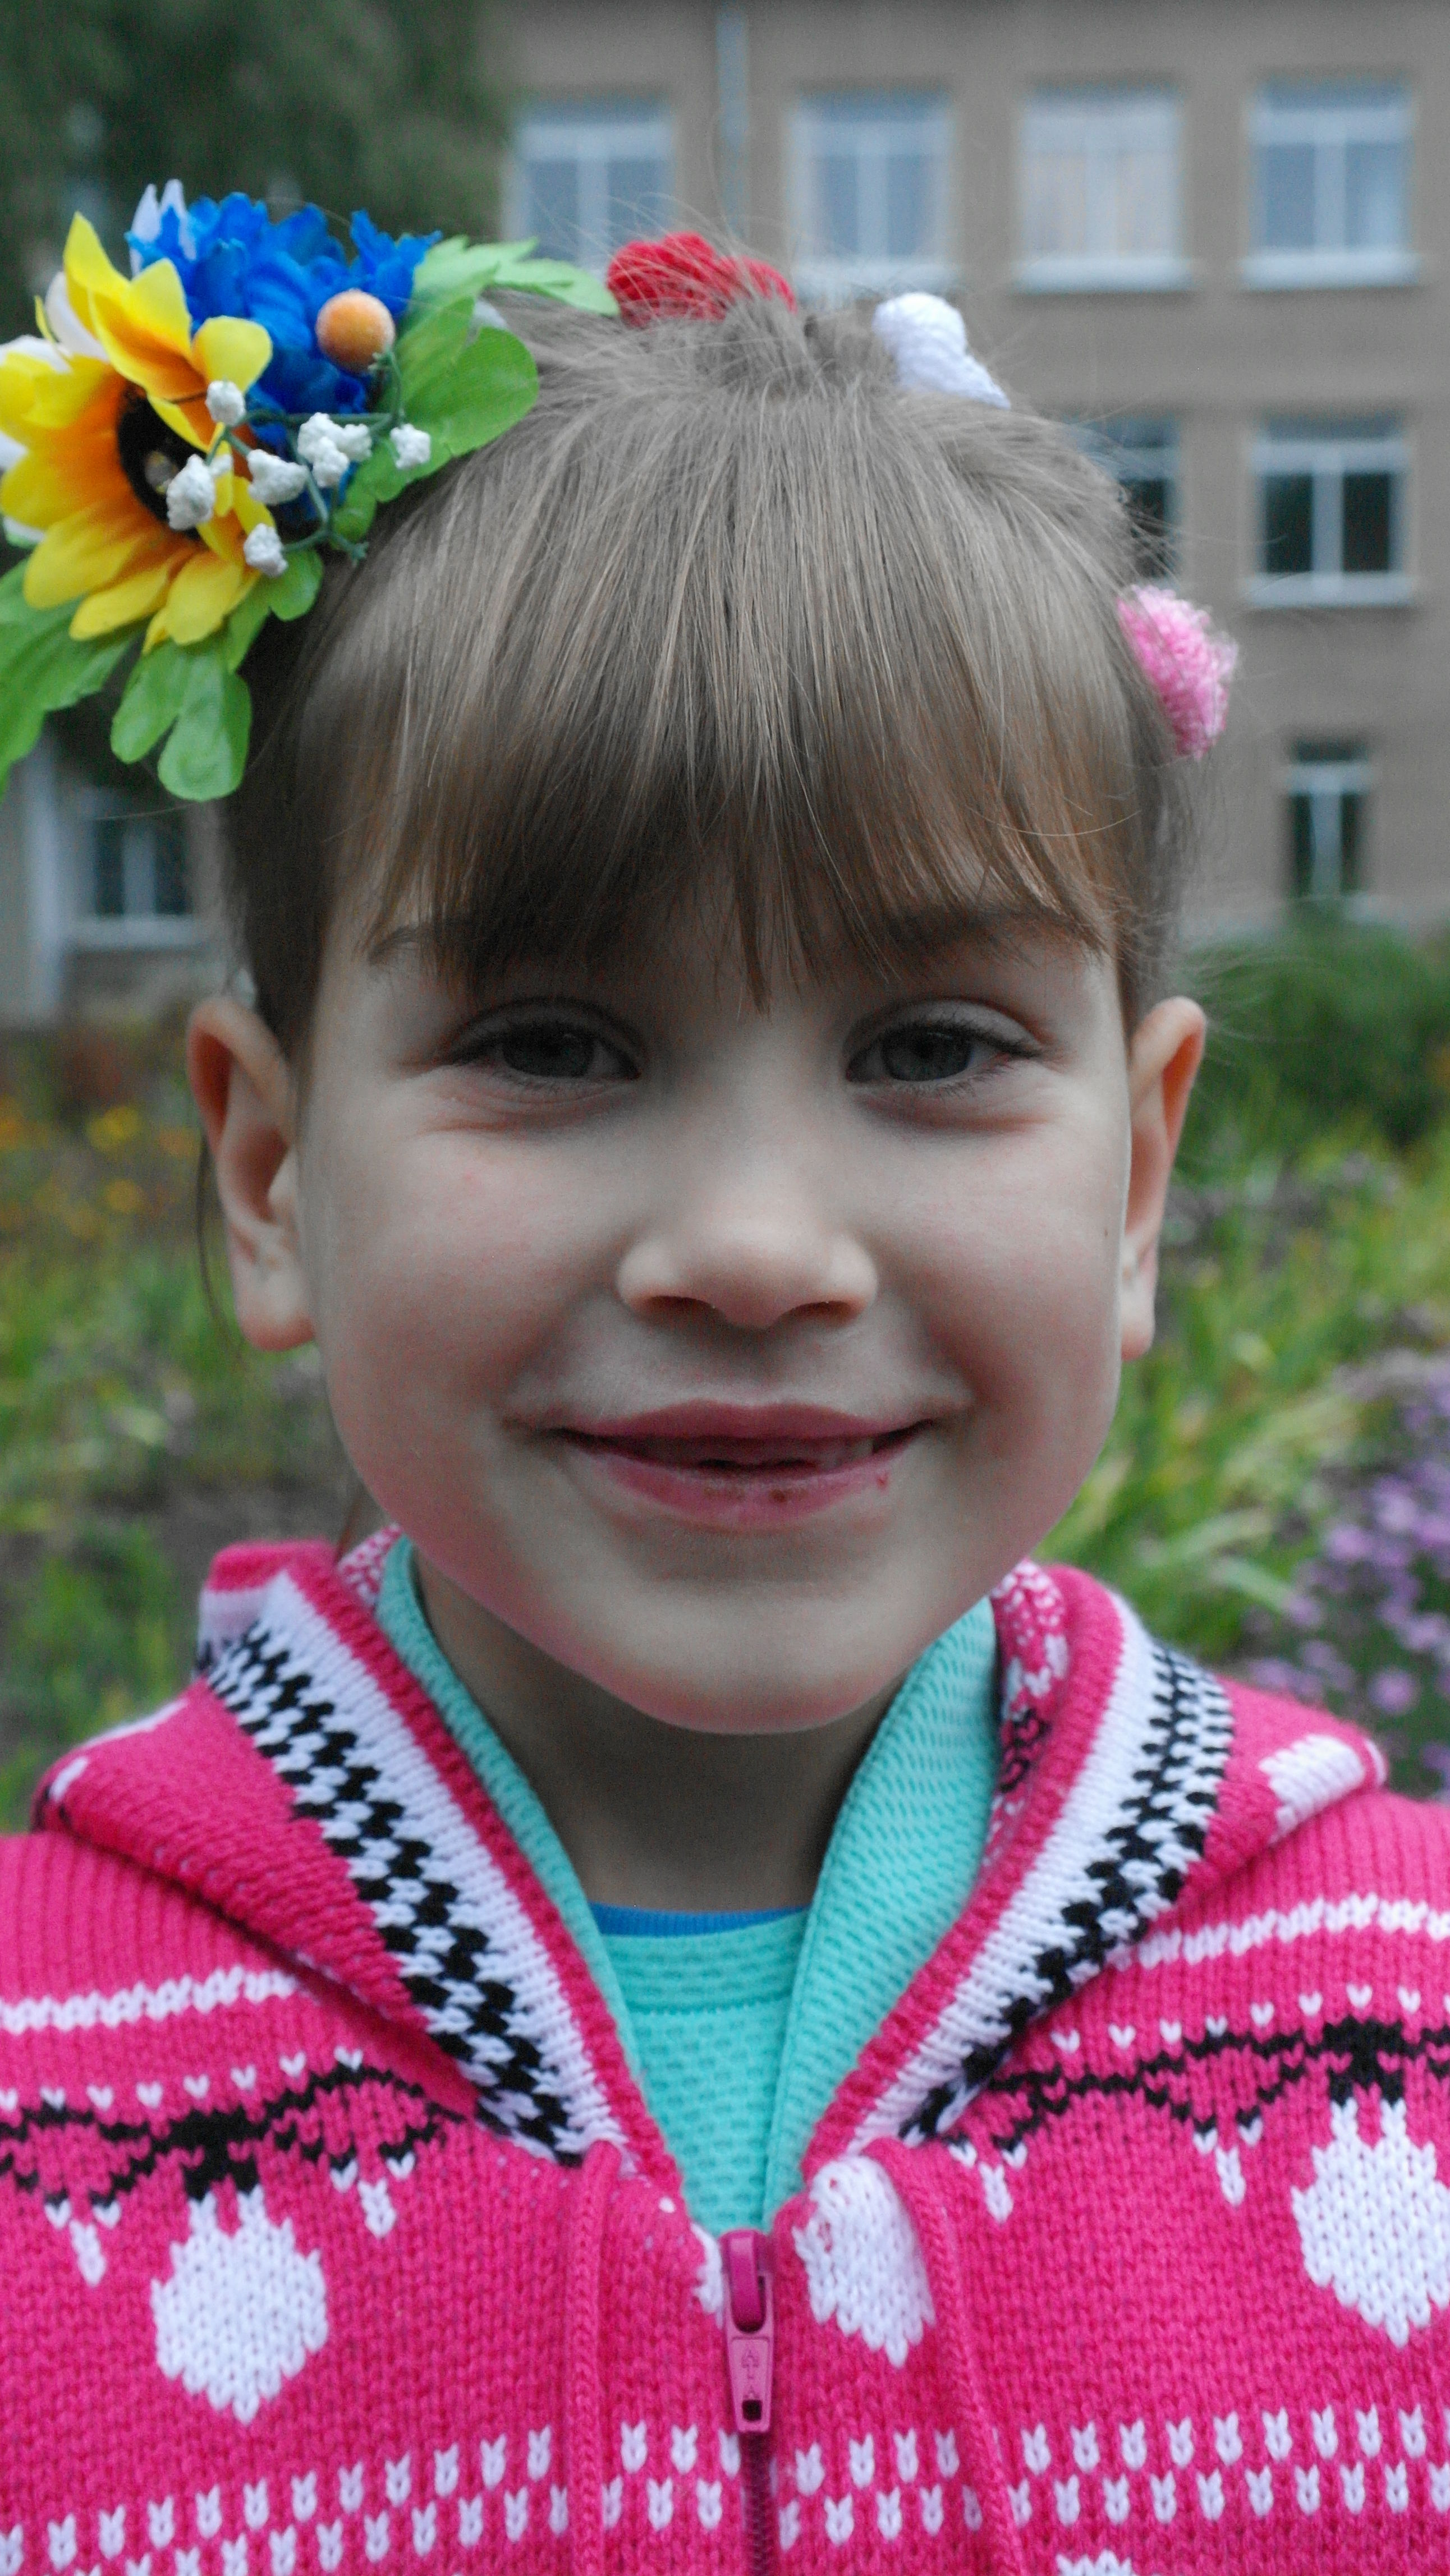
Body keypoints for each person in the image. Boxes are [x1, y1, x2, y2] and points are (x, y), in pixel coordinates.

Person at [0, 206, 1444, 2574]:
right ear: (269, 1172)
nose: (759, 1250)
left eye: (932, 1048)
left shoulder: (1410, 2017)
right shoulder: (37, 2080)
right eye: (556, 1044)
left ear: (1138, 1177)